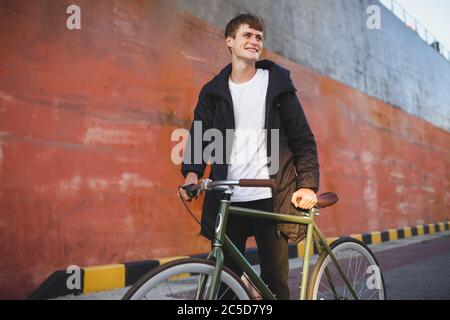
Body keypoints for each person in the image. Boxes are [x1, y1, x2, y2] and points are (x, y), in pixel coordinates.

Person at [180, 13, 320, 300]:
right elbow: (199, 136)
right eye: (247, 35)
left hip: (271, 196)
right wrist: (192, 174)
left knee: (274, 284)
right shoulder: (213, 92)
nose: (254, 41)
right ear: (229, 42)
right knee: (225, 284)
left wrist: (307, 184)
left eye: (259, 37)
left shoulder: (277, 85)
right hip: (228, 198)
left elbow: (302, 139)